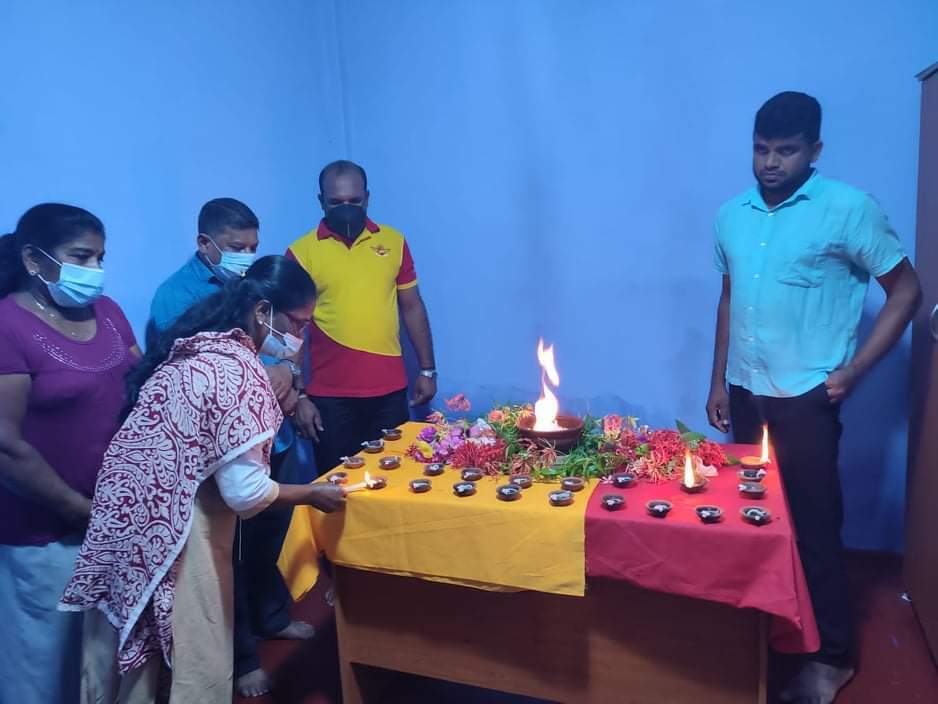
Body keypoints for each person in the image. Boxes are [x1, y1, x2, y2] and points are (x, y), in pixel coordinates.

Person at [706, 92, 922, 704]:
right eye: (761, 149)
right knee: (756, 517)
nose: (771, 163)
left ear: (815, 150)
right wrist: (717, 380)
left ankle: (832, 657)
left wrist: (856, 370)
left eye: (786, 150)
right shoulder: (732, 215)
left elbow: (907, 290)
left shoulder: (849, 209)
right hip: (745, 389)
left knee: (813, 527)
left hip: (806, 395)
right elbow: (729, 298)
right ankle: (766, 634)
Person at [61, 255, 346, 704]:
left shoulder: (200, 348)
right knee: (195, 656)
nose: (301, 336)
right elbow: (246, 493)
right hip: (174, 534)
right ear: (263, 312)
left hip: (125, 524)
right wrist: (313, 493)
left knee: (129, 673)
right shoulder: (237, 372)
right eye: (299, 323)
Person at [148, 198, 313, 697]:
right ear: (206, 243)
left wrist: (291, 381)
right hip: (221, 457)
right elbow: (214, 382)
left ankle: (271, 618)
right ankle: (242, 659)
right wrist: (315, 494)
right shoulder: (179, 300)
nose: (247, 256)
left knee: (265, 543)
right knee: (228, 557)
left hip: (270, 439)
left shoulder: (260, 291)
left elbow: (282, 350)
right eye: (236, 247)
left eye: (253, 246)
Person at [0, 203, 140, 704]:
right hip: (46, 534)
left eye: (101, 258)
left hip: (115, 522)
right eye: (81, 257)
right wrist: (80, 509)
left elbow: (142, 386)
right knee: (46, 669)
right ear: (33, 260)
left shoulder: (109, 313)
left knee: (107, 664)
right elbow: (6, 446)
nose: (94, 270)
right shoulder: (8, 326)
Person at [287, 160, 438, 473]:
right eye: (336, 202)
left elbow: (412, 306)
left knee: (394, 481)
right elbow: (292, 328)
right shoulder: (301, 252)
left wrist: (427, 370)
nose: (346, 209)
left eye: (354, 201)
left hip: (390, 394)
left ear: (367, 198)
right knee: (336, 488)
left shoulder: (394, 242)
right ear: (320, 201)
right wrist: (297, 396)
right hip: (330, 399)